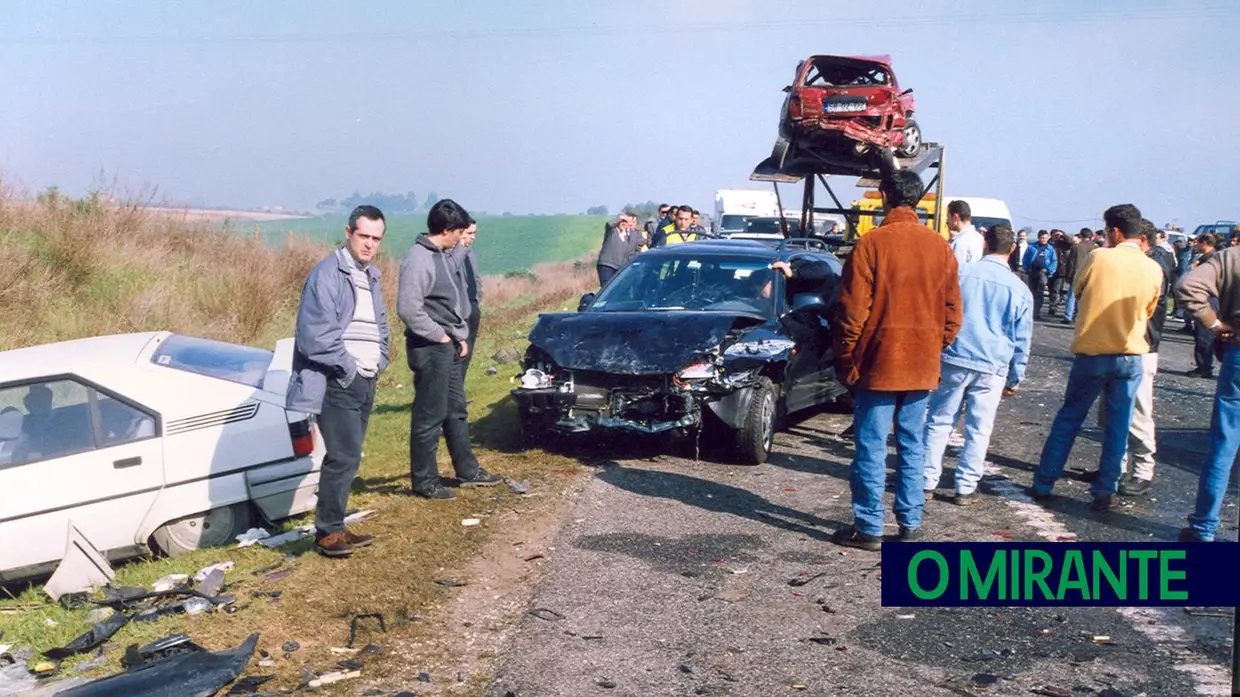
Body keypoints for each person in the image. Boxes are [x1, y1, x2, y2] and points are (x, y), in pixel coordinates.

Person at [829, 169, 962, 551]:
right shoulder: (940, 246)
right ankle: (911, 522)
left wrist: (847, 356)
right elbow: (953, 309)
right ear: (918, 199)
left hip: (878, 362)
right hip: (921, 362)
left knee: (871, 445)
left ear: (885, 195)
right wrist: (935, 344)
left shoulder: (872, 243)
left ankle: (869, 526)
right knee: (912, 442)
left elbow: (853, 311)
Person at [1029, 204, 1163, 511]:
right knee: (1119, 426)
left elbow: (1078, 291)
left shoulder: (1099, 257)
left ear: (1114, 231)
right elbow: (1150, 310)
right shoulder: (1152, 267)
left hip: (1093, 353)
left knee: (1069, 419)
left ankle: (1044, 482)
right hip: (1131, 356)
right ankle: (1106, 489)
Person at [287, 205, 390, 557]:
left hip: (365, 376)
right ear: (348, 232)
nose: (370, 245)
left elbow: (380, 324)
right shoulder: (327, 274)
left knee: (350, 455)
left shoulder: (370, 274)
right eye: (364, 236)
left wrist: (380, 360)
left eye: (376, 239)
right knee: (344, 455)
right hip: (338, 379)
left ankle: (335, 525)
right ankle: (327, 533)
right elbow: (313, 337)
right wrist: (348, 368)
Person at [398, 199, 502, 500]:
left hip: (448, 344)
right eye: (460, 232)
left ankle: (467, 471)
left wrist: (458, 335)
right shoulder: (418, 259)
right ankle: (424, 481)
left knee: (455, 409)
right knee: (429, 415)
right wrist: (441, 337)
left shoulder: (440, 254)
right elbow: (408, 308)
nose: (462, 237)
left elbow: (448, 300)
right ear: (447, 230)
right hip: (431, 347)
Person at [923, 224, 1033, 505]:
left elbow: (938, 313)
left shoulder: (960, 274)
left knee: (939, 421)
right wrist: (1014, 378)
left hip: (954, 357)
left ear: (984, 244)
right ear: (1011, 250)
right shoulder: (1020, 290)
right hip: (992, 365)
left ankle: (926, 481)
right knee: (979, 428)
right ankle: (965, 487)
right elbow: (1021, 340)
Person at [1093, 219, 1173, 497]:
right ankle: (1114, 466)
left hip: (1141, 348)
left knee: (1138, 414)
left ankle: (1141, 471)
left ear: (1141, 240)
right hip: (1122, 346)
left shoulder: (1154, 266)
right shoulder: (1141, 264)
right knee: (1110, 414)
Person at [1176, 235, 1240, 540]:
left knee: (1224, 442)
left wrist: (1214, 324)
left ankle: (1204, 526)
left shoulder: (1231, 258)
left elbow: (1188, 287)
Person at [450, 217, 483, 377]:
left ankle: (457, 394)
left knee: (467, 352)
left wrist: (478, 298)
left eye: (474, 233)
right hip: (459, 310)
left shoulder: (470, 253)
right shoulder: (449, 254)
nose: (473, 237)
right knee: (457, 352)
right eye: (469, 233)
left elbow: (476, 278)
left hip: (473, 306)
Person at [1187, 233, 1220, 378]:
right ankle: (1203, 365)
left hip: (1209, 300)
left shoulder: (1212, 259)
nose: (1196, 245)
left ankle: (1205, 367)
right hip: (1204, 299)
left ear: (1205, 243)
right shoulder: (1206, 258)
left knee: (1204, 336)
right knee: (1201, 334)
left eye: (1198, 243)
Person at [596, 211, 644, 286]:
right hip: (607, 265)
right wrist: (621, 218)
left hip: (621, 267)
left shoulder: (631, 235)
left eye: (627, 222)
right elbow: (609, 223)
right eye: (623, 221)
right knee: (607, 288)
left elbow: (637, 249)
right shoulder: (612, 230)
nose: (625, 223)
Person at [1060, 228, 1096, 325]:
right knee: (1084, 297)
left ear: (1081, 236)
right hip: (1090, 275)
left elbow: (1071, 263)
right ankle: (1079, 315)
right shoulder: (1095, 248)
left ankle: (1068, 316)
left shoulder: (1076, 247)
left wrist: (1068, 275)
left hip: (1076, 273)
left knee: (1072, 296)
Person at [1022, 229, 1058, 319]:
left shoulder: (1050, 249)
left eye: (1045, 238)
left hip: (1042, 273)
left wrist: (1049, 270)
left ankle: (1036, 312)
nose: (1044, 240)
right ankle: (1029, 311)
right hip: (1032, 272)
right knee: (1030, 293)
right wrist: (1026, 267)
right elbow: (1025, 258)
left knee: (1040, 293)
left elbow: (1054, 261)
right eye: (1042, 238)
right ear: (1038, 238)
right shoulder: (1032, 247)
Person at [947, 200, 984, 268]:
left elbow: (955, 271)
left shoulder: (959, 243)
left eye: (948, 217)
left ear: (955, 217)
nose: (947, 221)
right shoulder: (980, 239)